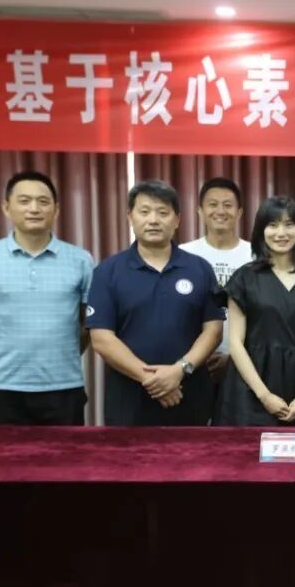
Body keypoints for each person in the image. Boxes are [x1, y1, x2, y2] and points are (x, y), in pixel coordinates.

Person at [0, 170, 94, 425]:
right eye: (24, 201)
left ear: (56, 210)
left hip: (64, 386)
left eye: (43, 202)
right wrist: (1, 359)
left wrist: (61, 355)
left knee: (66, 452)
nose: (34, 208)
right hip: (2, 387)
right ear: (6, 208)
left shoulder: (81, 260)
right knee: (3, 452)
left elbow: (88, 324)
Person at [87, 180, 223, 426]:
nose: (153, 220)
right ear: (130, 217)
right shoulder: (108, 271)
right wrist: (154, 381)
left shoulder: (199, 268)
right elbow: (102, 339)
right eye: (144, 211)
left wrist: (179, 371)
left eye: (162, 212)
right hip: (128, 400)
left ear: (177, 220)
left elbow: (213, 331)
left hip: (189, 395)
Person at [214, 196, 295, 427]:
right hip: (252, 386)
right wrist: (264, 395)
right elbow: (236, 343)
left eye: (289, 224)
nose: (281, 233)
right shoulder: (244, 278)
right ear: (261, 230)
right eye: (273, 225)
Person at [180, 177, 253, 401]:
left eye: (228, 205)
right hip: (190, 365)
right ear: (200, 211)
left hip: (247, 366)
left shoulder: (256, 257)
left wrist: (232, 358)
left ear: (239, 212)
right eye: (213, 204)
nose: (220, 211)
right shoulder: (183, 255)